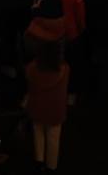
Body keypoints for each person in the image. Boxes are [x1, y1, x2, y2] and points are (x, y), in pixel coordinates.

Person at [24, 39, 69, 172]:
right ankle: (51, 165)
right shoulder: (65, 69)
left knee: (37, 132)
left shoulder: (31, 68)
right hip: (55, 110)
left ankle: (39, 161)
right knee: (53, 138)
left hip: (36, 107)